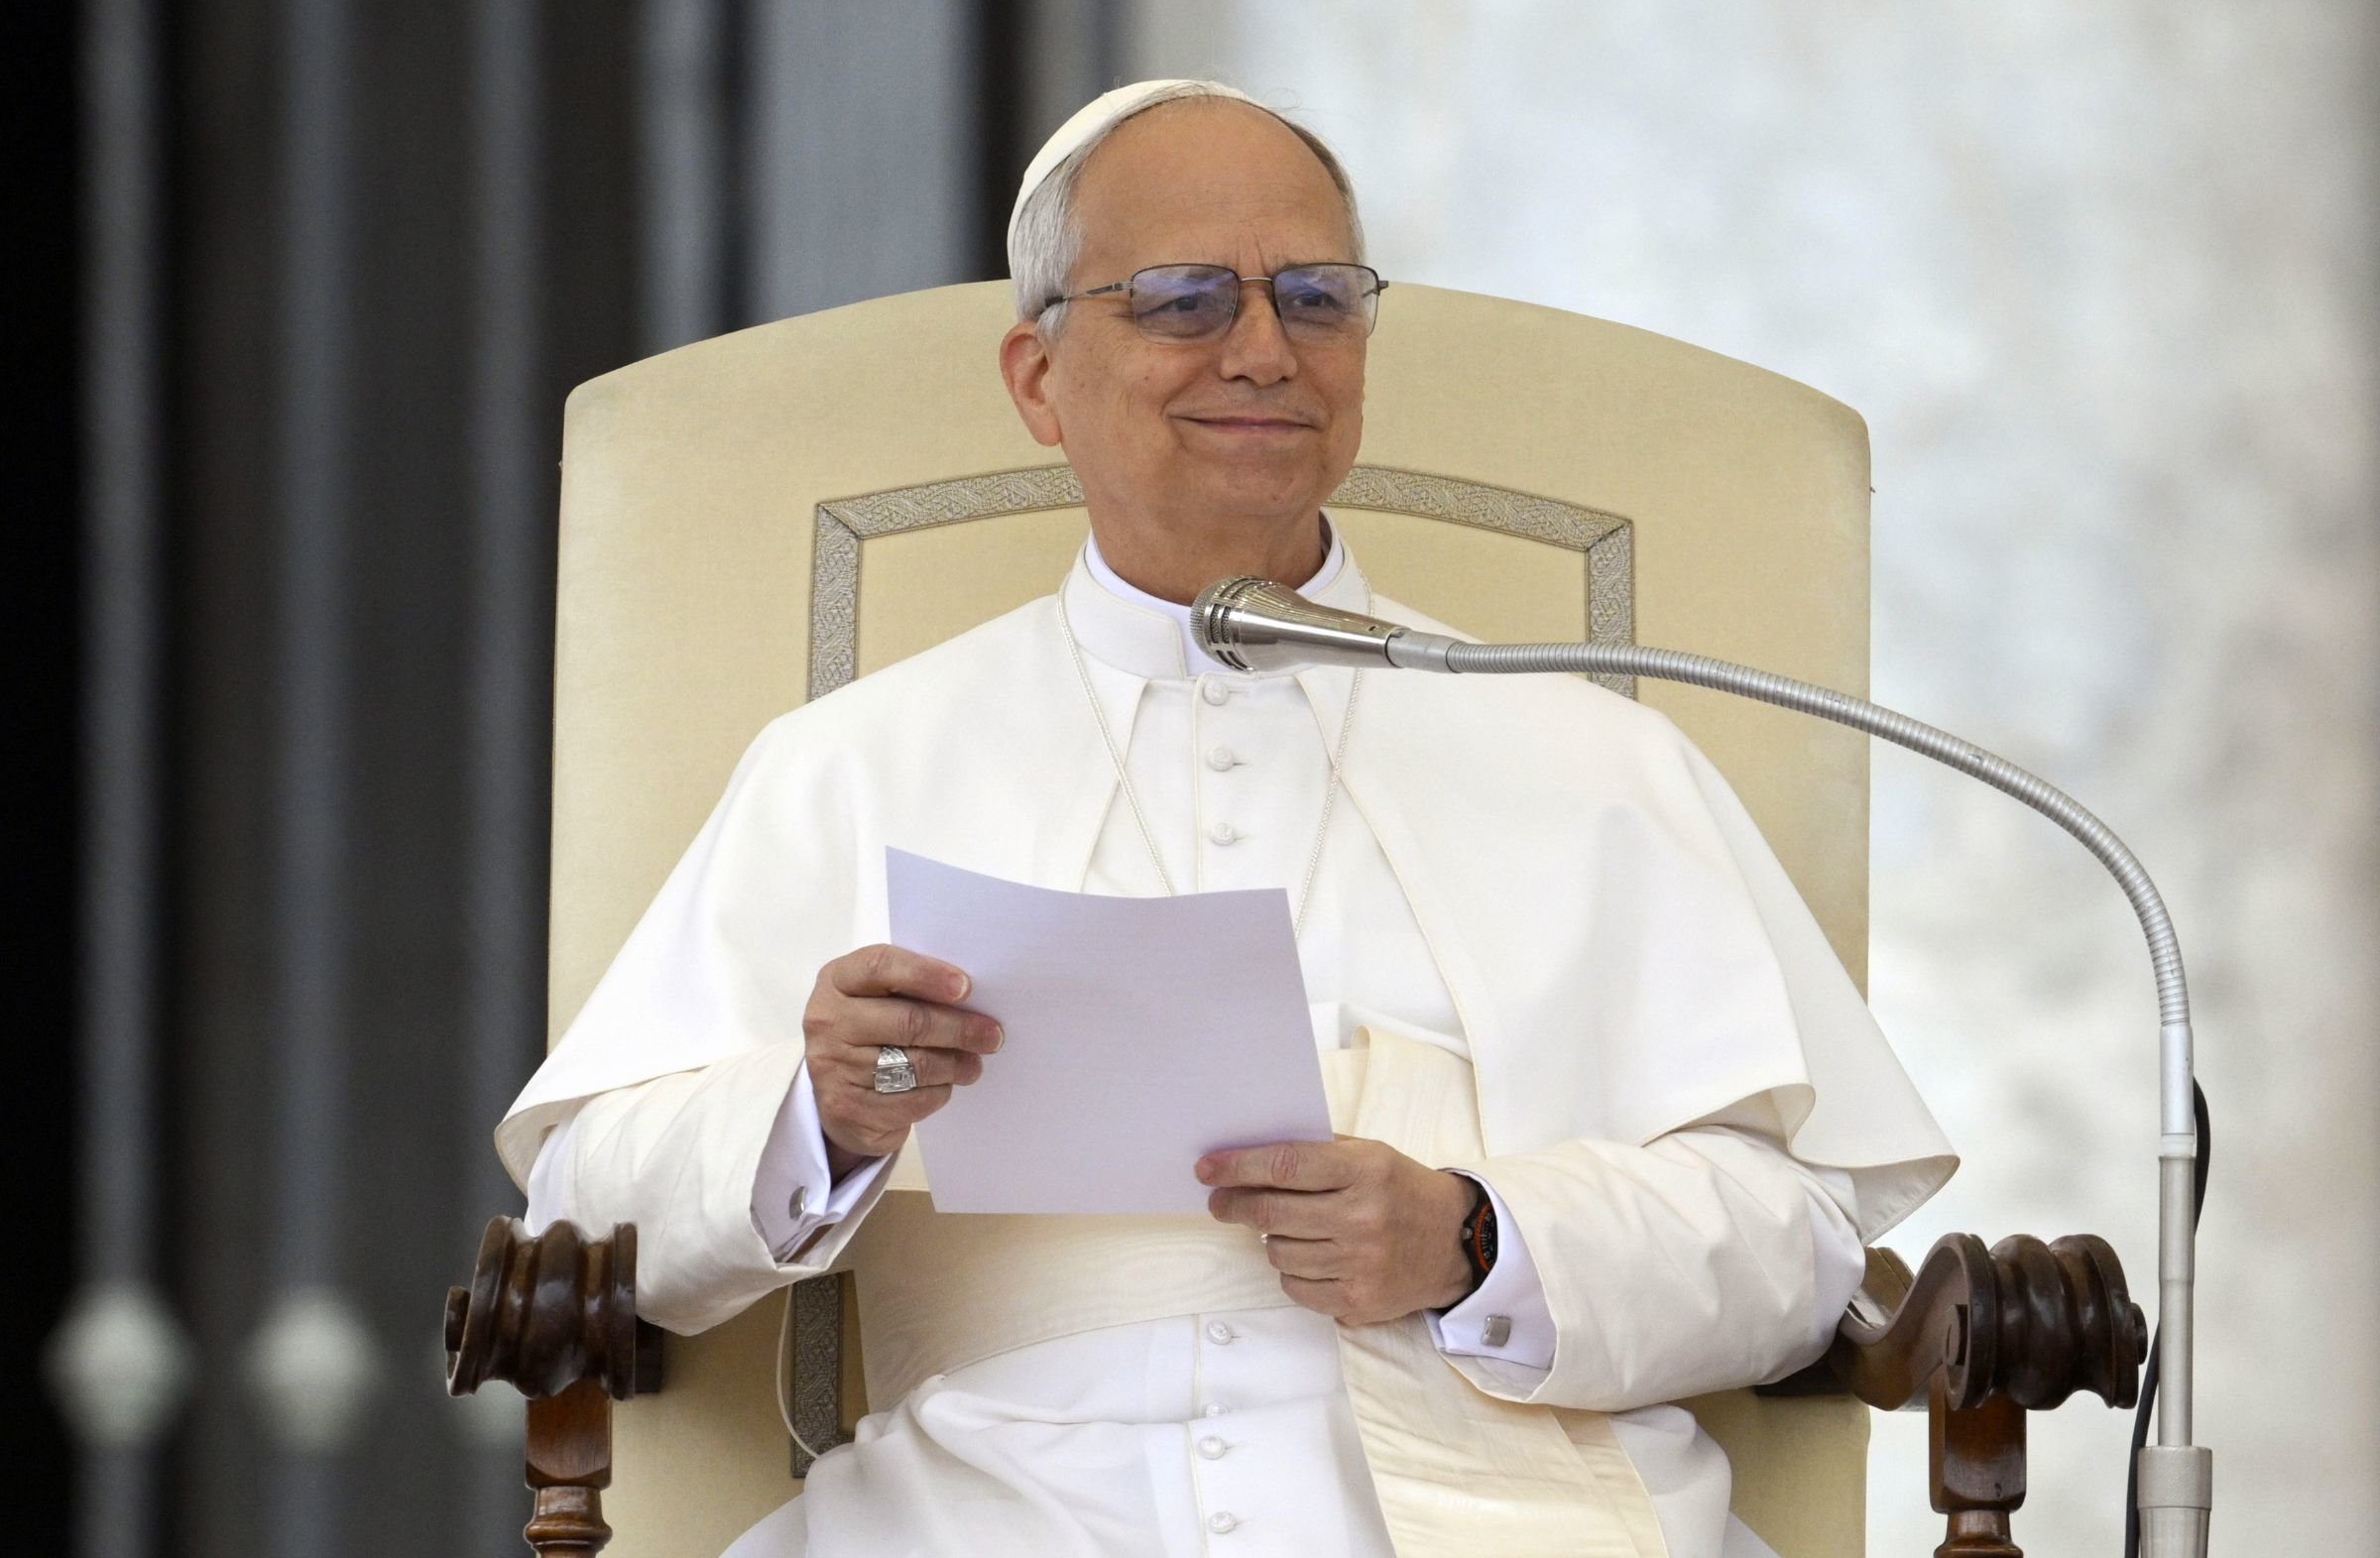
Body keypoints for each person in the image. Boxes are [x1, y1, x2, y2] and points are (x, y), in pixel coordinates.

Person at [500, 80, 1956, 1558]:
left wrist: (1476, 1238)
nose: (1264, 350)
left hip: (1518, 1510)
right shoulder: (852, 763)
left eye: (1315, 297)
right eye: (1184, 299)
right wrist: (820, 1113)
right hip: (989, 1514)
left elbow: (1801, 1247)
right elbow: (586, 1213)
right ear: (1038, 378)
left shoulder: (1588, 755)